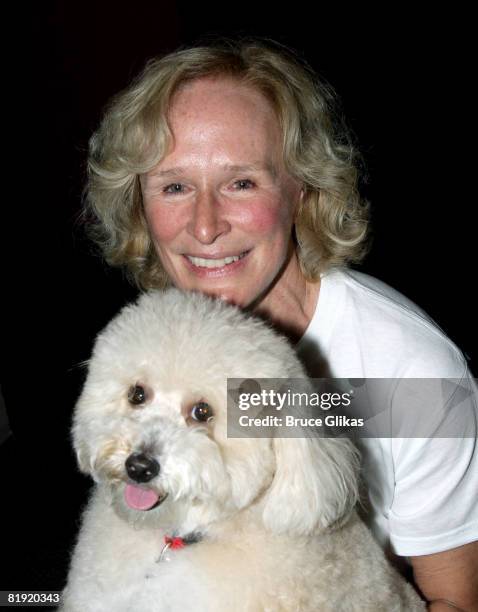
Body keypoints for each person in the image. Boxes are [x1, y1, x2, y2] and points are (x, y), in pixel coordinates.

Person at [82, 38, 478, 610]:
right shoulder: (157, 342)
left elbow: (455, 602)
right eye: (174, 186)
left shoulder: (412, 379)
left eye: (241, 182)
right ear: (139, 204)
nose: (205, 226)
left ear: (302, 187)